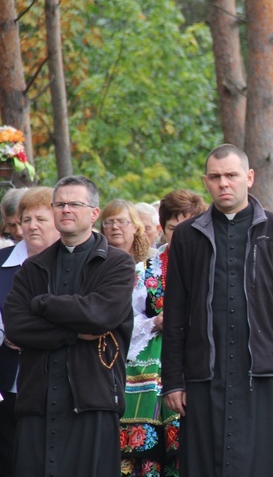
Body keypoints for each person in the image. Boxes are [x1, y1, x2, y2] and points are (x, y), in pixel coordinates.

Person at [161, 144, 273, 475]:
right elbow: (176, 314)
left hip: (262, 373)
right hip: (205, 374)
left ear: (249, 177)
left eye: (231, 175)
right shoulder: (187, 235)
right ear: (206, 182)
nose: (224, 184)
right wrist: (173, 380)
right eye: (215, 177)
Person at [3, 175, 135, 476]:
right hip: (38, 399)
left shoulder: (117, 264)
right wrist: (75, 331)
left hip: (93, 396)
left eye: (74, 204)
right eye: (59, 204)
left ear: (94, 213)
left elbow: (101, 316)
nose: (65, 210)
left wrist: (43, 304)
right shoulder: (32, 268)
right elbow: (17, 326)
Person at [121, 190, 208, 476]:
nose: (181, 235)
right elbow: (124, 321)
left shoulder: (216, 267)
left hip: (203, 361)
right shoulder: (144, 270)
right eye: (173, 229)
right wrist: (155, 323)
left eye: (191, 228)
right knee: (149, 456)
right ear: (161, 228)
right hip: (153, 368)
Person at [0, 187, 60, 477]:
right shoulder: (1, 263)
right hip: (9, 380)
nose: (32, 225)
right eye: (26, 219)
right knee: (12, 459)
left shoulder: (74, 262)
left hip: (61, 377)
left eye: (41, 219)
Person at [101, 199, 156, 263]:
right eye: (109, 222)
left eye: (122, 221)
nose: (114, 227)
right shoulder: (95, 256)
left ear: (135, 227)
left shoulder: (153, 258)